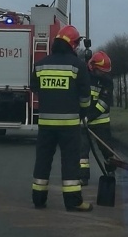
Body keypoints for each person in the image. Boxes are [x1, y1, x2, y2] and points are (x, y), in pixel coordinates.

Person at [31, 24, 93, 212]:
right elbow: (85, 96)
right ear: (73, 44)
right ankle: (73, 202)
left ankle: (38, 199)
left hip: (45, 124)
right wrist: (83, 113)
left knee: (42, 160)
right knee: (70, 162)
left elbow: (34, 88)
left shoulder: (40, 65)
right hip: (69, 125)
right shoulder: (78, 66)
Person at [79, 50, 114, 184]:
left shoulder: (107, 81)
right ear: (93, 67)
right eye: (101, 71)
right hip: (83, 121)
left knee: (107, 150)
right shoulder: (83, 76)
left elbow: (103, 103)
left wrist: (89, 116)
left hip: (100, 121)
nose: (104, 74)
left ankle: (110, 172)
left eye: (106, 72)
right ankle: (83, 177)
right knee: (82, 151)